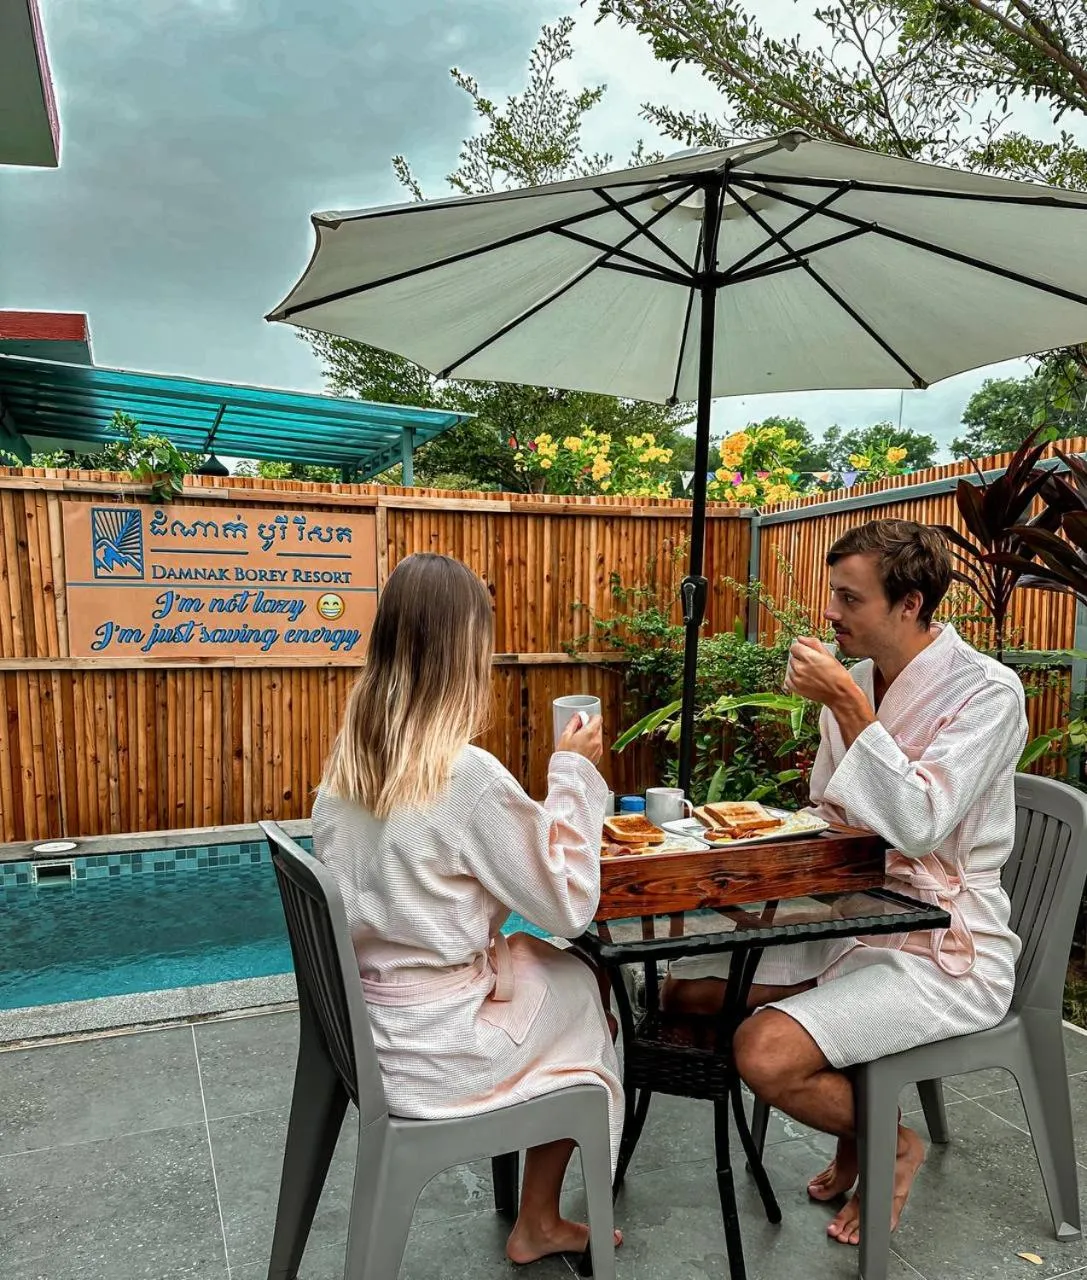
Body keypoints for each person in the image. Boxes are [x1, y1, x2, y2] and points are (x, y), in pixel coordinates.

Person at [662, 518, 1027, 1247]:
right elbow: (834, 811)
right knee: (681, 992)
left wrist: (851, 710)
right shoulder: (859, 681)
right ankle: (850, 1114)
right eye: (833, 594)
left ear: (910, 603)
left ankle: (891, 1144)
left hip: (945, 943)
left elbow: (919, 823)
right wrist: (750, 851)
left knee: (764, 1051)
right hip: (859, 911)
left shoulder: (987, 693)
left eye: (849, 599)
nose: (830, 613)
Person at [311, 552, 623, 1265]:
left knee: (557, 972)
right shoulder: (465, 776)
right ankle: (538, 1218)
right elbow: (569, 903)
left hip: (373, 1031)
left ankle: (537, 1217)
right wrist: (574, 772)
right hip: (439, 1051)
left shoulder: (348, 766)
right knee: (587, 987)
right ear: (465, 650)